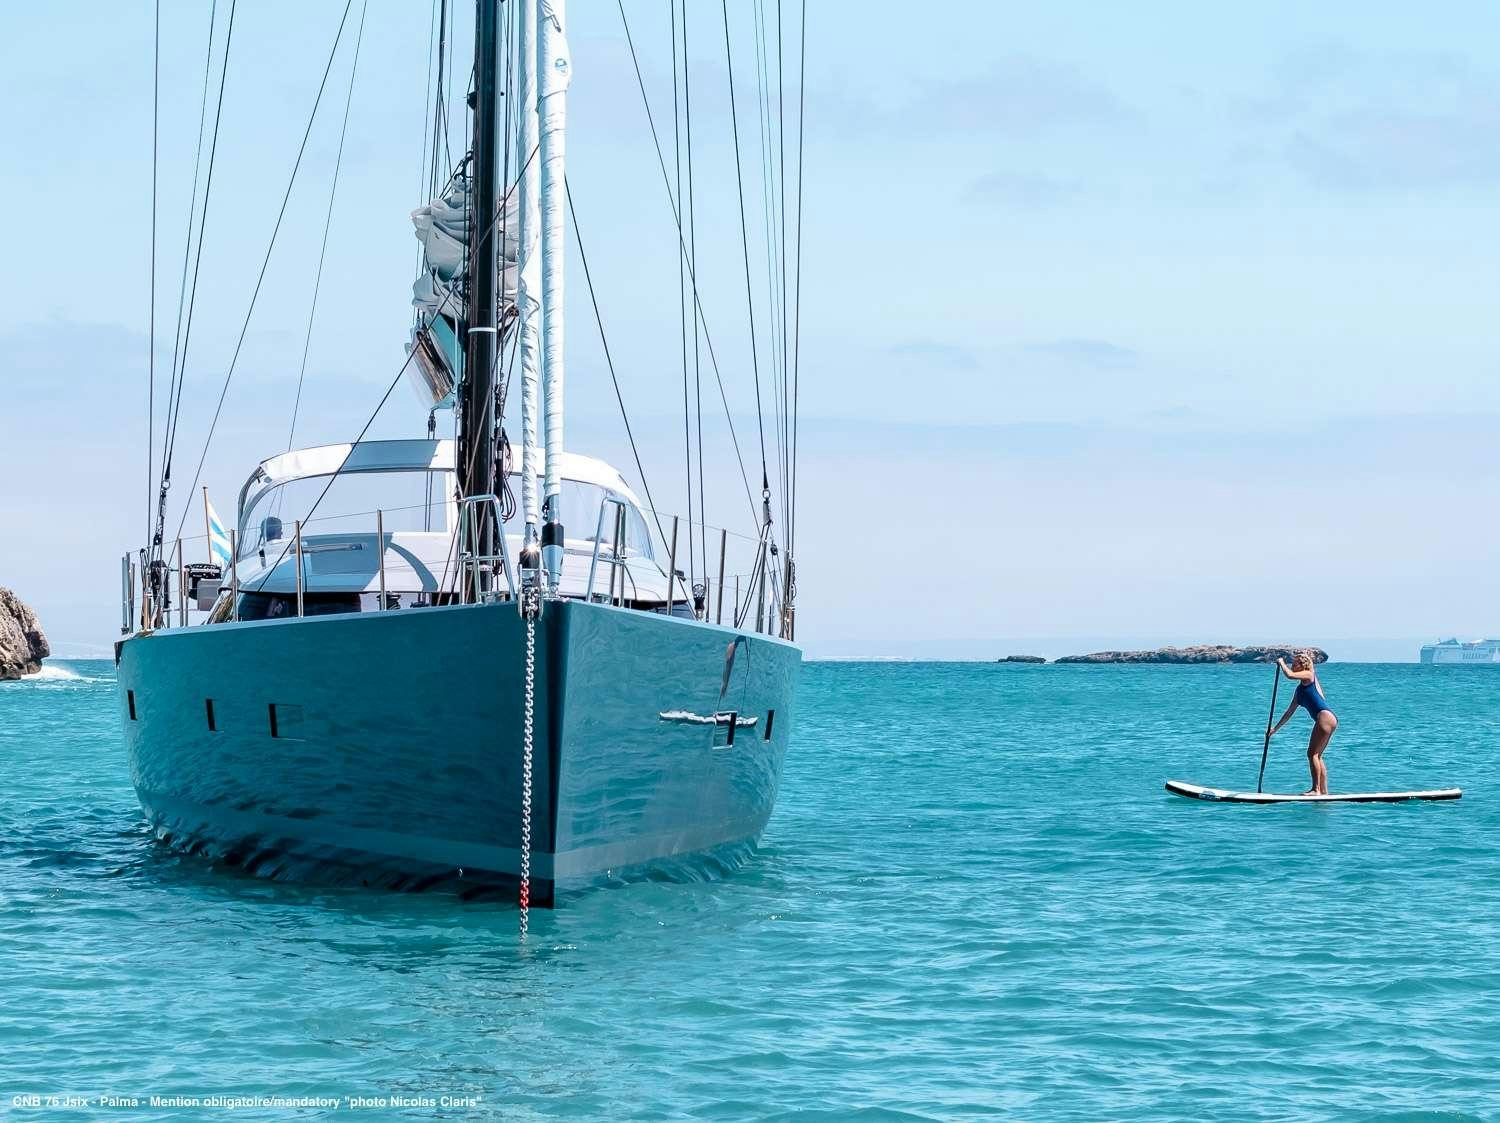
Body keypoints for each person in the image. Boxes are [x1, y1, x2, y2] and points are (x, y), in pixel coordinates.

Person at [1268, 651, 1337, 795]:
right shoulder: (1299, 691)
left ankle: (1315, 789)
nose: (1292, 666)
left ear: (1303, 665)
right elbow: (1289, 713)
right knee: (1317, 755)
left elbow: (1290, 675)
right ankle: (1324, 792)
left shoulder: (1309, 675)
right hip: (1328, 719)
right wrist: (1275, 729)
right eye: (1292, 664)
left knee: (1311, 754)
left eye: (1295, 664)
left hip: (1324, 717)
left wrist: (1281, 663)